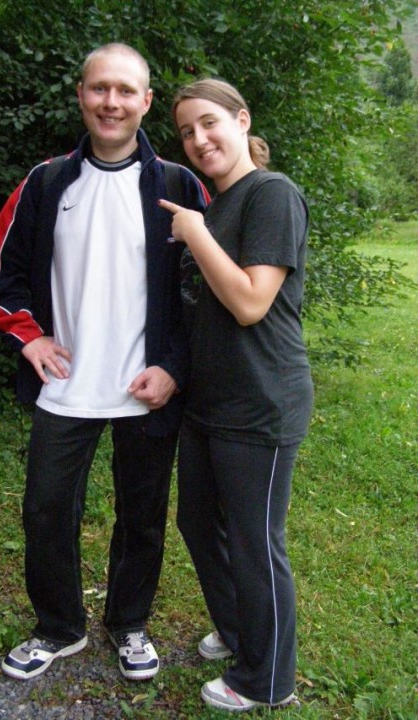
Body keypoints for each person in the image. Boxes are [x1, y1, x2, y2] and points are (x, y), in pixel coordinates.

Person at [0, 44, 208, 682]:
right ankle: (59, 628)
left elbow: (206, 293)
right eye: (100, 88)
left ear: (146, 102)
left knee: (143, 517)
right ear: (81, 94)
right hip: (67, 385)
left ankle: (128, 623)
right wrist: (28, 337)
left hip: (147, 386)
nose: (112, 102)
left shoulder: (178, 186)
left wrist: (175, 367)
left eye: (125, 90)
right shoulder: (47, 181)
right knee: (46, 510)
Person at [159, 78, 313, 713]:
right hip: (210, 400)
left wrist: (195, 233)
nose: (198, 139)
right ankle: (241, 630)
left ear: (241, 120)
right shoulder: (218, 203)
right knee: (197, 522)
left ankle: (268, 680)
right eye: (186, 132)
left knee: (254, 540)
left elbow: (251, 303)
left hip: (261, 400)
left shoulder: (271, 194)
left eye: (209, 123)